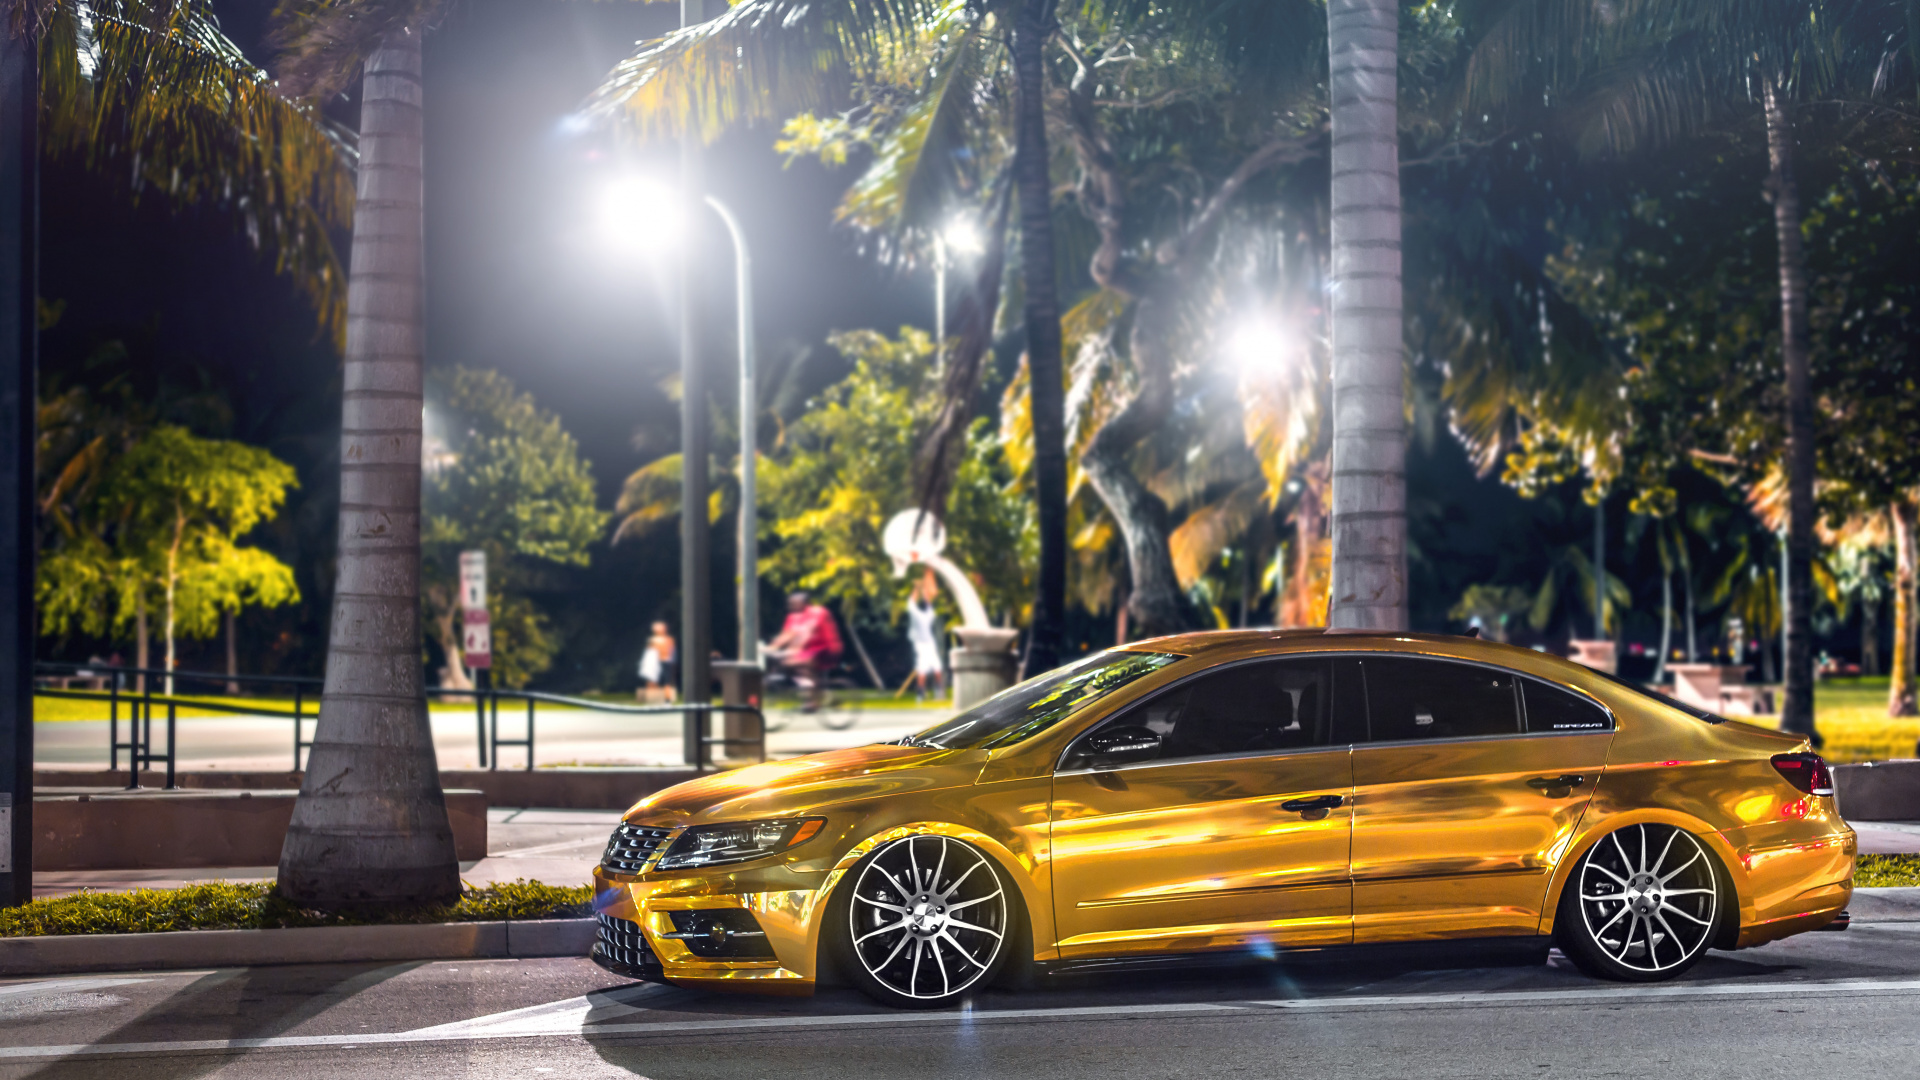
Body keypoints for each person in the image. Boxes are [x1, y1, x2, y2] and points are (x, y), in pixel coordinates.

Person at [766, 592, 843, 711]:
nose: (790, 606)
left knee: (799, 662)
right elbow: (787, 635)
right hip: (810, 650)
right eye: (789, 603)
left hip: (827, 648)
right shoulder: (792, 617)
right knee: (789, 665)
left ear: (803, 603)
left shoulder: (817, 612)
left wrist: (794, 650)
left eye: (793, 603)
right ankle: (815, 694)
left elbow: (809, 631)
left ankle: (813, 700)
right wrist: (771, 647)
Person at [906, 571, 945, 702]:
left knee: (934, 668)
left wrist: (918, 588)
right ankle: (927, 693)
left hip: (926, 644)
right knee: (927, 669)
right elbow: (925, 602)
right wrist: (921, 590)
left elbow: (913, 602)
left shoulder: (922, 615)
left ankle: (929, 693)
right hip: (923, 645)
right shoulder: (923, 615)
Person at [638, 621, 678, 704]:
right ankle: (652, 699)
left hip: (666, 661)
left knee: (667, 682)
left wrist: (672, 660)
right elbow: (649, 652)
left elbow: (672, 651)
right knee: (652, 680)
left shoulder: (669, 639)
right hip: (655, 663)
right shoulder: (652, 640)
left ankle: (667, 700)